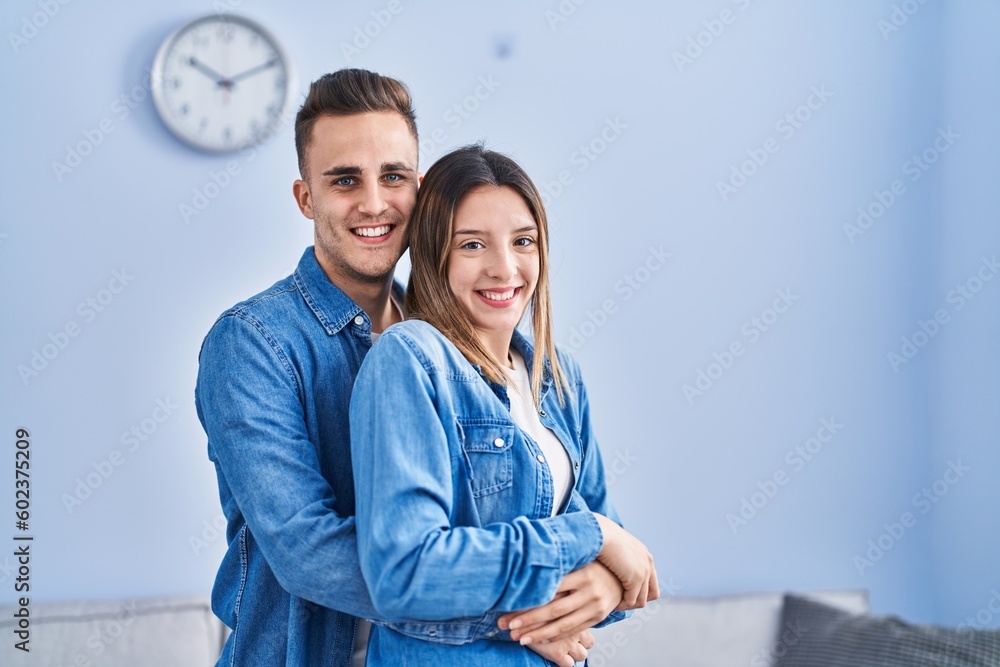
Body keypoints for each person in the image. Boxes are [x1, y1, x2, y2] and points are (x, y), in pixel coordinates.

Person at [195, 69, 645, 667]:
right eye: (345, 181)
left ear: (421, 188)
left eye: (393, 177)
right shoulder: (251, 344)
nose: (374, 203)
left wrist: (605, 586)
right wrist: (532, 614)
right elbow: (308, 551)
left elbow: (588, 531)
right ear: (307, 198)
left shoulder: (466, 344)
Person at [350, 144, 659, 666]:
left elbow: (627, 562)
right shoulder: (410, 361)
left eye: (523, 241)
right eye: (472, 244)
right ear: (433, 254)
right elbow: (405, 573)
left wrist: (607, 586)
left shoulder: (559, 376)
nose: (504, 267)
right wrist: (589, 536)